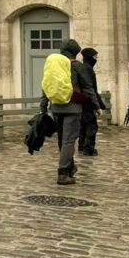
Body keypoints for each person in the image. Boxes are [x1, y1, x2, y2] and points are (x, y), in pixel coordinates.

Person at [40, 38, 97, 185]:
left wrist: (43, 105)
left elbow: (46, 85)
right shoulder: (78, 66)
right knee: (69, 140)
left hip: (56, 107)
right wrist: (96, 106)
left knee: (62, 140)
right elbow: (88, 87)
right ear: (75, 53)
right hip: (73, 108)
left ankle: (70, 166)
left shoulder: (54, 64)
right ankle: (63, 172)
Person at [77, 47, 107, 156]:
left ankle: (81, 146)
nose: (96, 59)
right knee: (91, 125)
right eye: (95, 57)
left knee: (83, 125)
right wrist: (97, 106)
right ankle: (88, 148)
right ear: (90, 57)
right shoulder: (88, 69)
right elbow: (91, 89)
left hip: (83, 101)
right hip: (88, 102)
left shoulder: (82, 68)